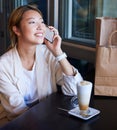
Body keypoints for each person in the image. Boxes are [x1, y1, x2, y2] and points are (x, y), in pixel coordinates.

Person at [0, 5, 83, 126]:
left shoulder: (48, 53)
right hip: (13, 122)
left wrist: (58, 52)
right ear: (17, 30)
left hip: (45, 117)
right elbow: (17, 111)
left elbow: (74, 90)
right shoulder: (3, 65)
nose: (40, 27)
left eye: (42, 22)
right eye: (32, 22)